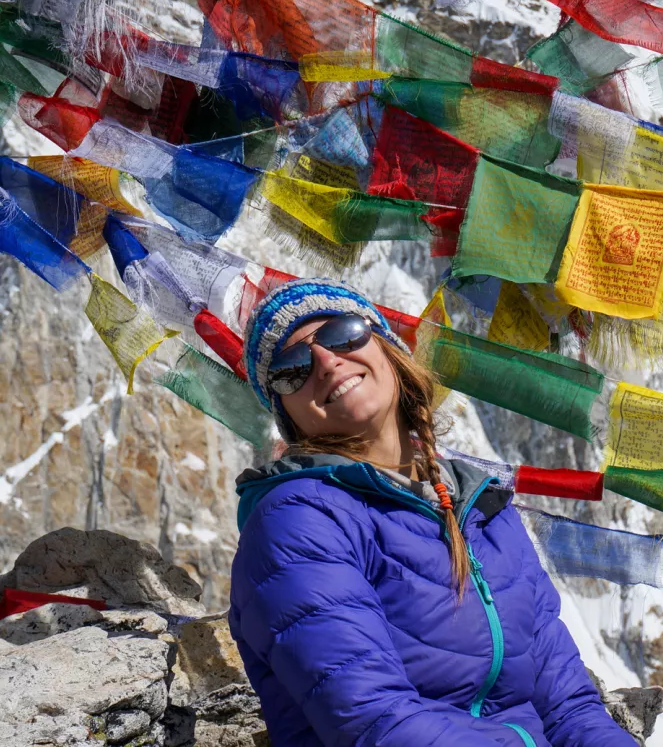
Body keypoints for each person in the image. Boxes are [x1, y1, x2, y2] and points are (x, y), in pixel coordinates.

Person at [228, 278, 636, 747]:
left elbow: (567, 703)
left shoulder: (483, 509)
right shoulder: (296, 521)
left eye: (342, 333)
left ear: (389, 351)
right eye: (291, 368)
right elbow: (376, 722)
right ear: (288, 414)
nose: (324, 361)